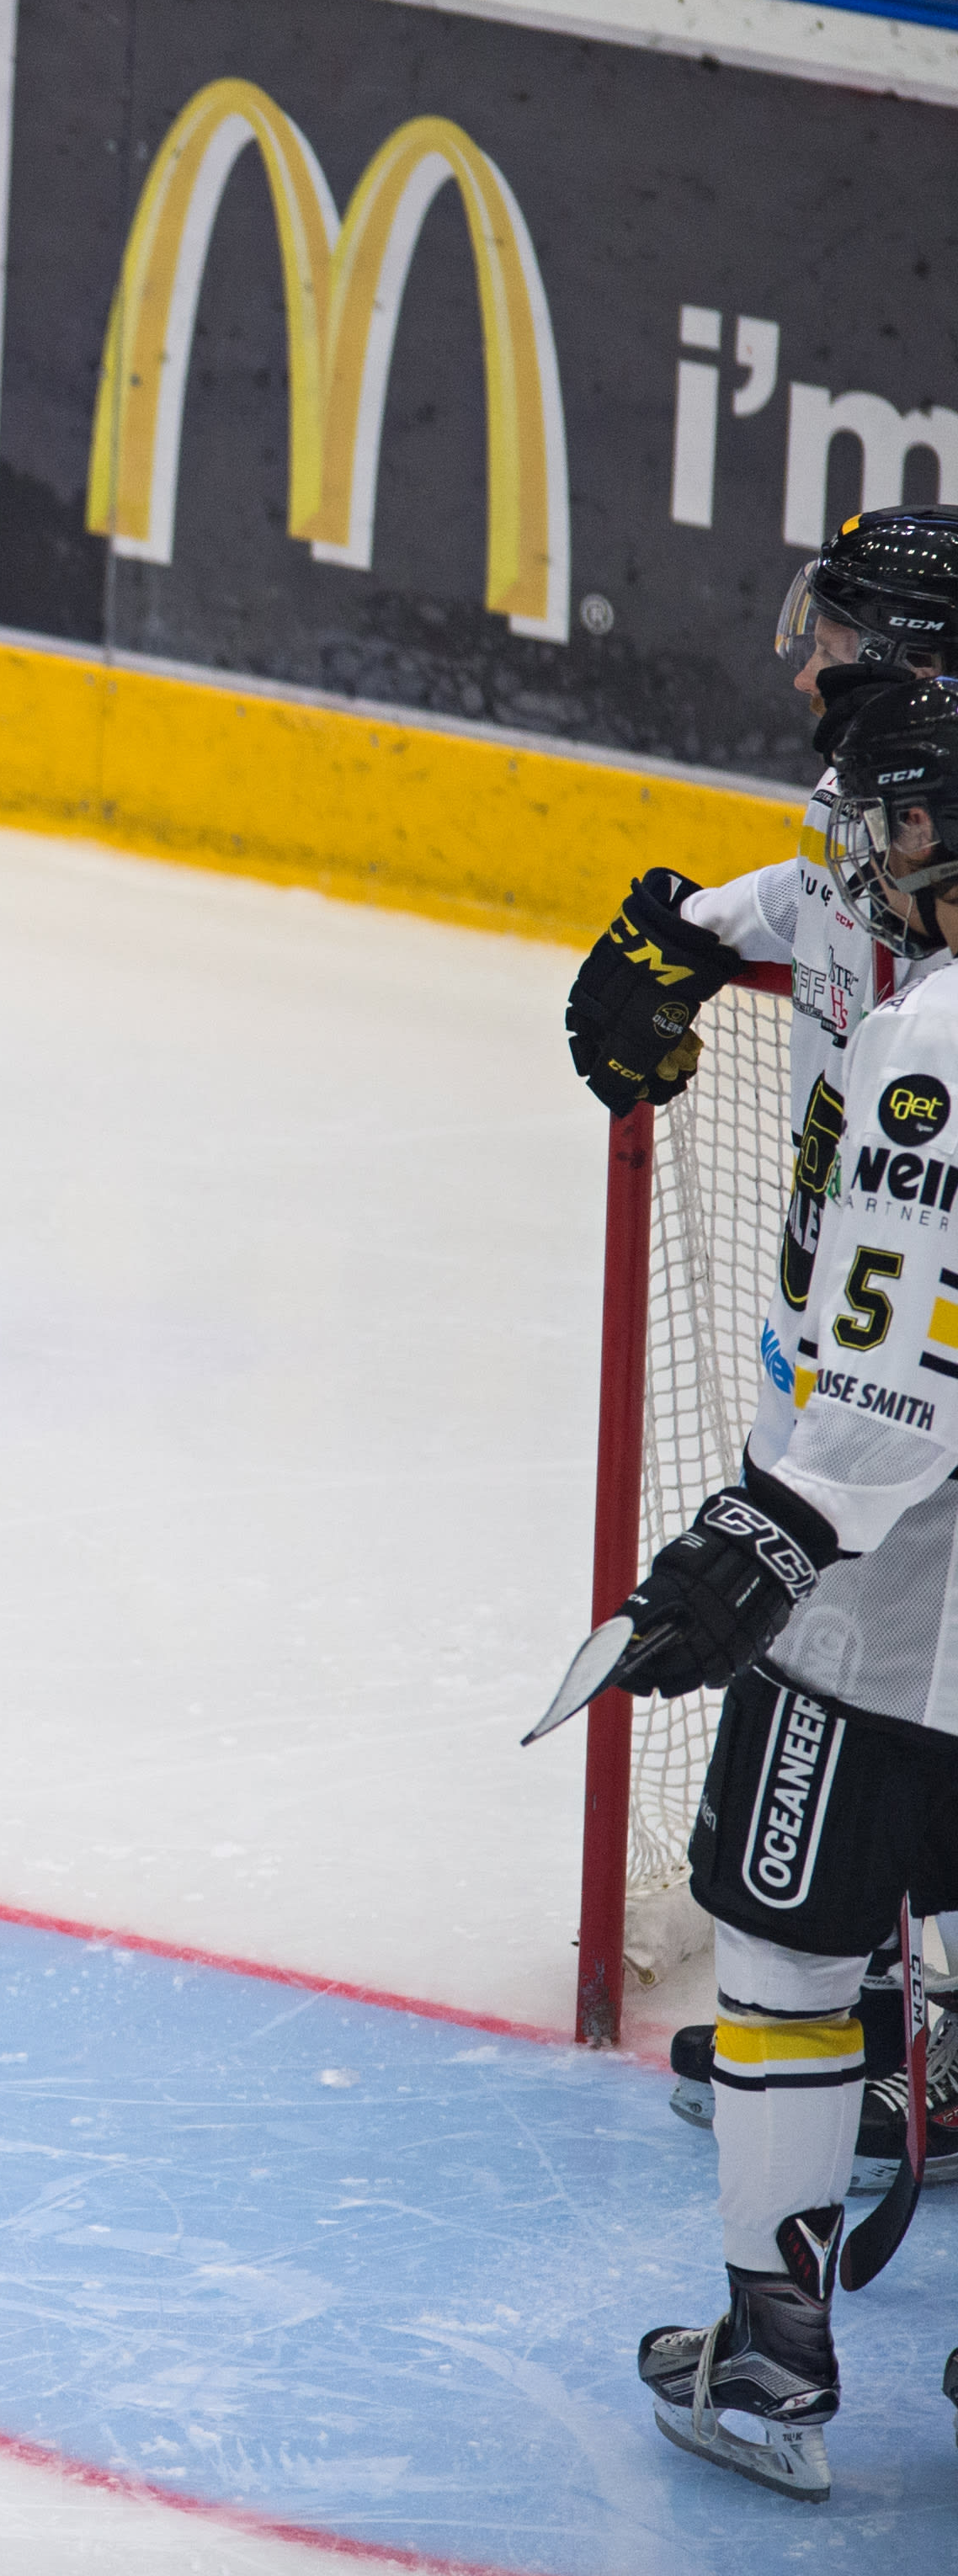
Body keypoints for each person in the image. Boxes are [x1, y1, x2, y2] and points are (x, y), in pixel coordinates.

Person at [583, 673, 958, 2500]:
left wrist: (763, 1537)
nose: (873, 851)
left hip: (885, 1616)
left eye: (903, 820)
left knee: (788, 1951)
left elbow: (895, 1373)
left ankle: (768, 2367)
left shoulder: (934, 1038)